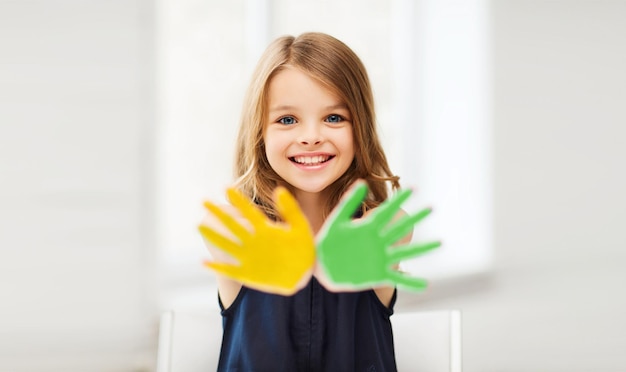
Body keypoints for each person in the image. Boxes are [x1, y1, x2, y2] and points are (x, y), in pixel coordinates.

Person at [200, 32, 412, 372]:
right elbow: (218, 227)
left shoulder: (383, 229)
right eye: (287, 120)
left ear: (360, 129)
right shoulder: (236, 230)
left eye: (333, 118)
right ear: (260, 133)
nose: (311, 136)